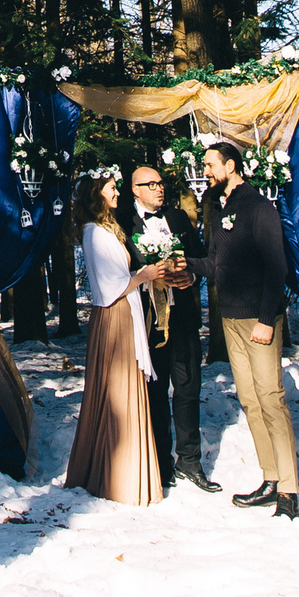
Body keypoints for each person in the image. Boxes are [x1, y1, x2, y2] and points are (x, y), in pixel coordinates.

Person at [189, 139, 299, 520]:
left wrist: (268, 320)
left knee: (271, 398)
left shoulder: (258, 207)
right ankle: (270, 478)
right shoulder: (220, 209)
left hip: (258, 320)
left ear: (231, 165)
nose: (205, 171)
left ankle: (289, 491)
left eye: (209, 164)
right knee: (251, 401)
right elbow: (216, 265)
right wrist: (183, 266)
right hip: (231, 321)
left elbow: (277, 268)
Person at [63, 172, 183, 505]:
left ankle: (126, 474)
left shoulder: (107, 229)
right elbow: (108, 288)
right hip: (115, 320)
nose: (117, 194)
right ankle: (120, 478)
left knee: (126, 391)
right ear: (96, 196)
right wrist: (144, 275)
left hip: (125, 316)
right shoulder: (94, 233)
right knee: (119, 394)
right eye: (112, 189)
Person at [118, 160, 218, 493]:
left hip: (184, 318)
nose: (159, 188)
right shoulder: (122, 222)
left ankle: (189, 461)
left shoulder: (176, 217)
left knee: (188, 389)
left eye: (161, 183)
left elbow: (200, 257)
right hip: (148, 322)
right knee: (156, 393)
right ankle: (160, 464)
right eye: (151, 184)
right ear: (135, 189)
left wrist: (190, 275)